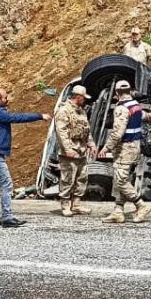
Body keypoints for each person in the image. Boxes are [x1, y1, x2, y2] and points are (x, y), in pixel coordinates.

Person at [0, 88, 50, 228]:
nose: (7, 100)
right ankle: (7, 217)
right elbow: (18, 118)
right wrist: (39, 115)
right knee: (6, 184)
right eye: (5, 98)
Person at [99, 79, 151, 223]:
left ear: (117, 93)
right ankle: (118, 211)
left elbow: (117, 132)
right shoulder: (136, 106)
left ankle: (141, 205)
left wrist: (106, 147)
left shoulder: (121, 108)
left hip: (125, 148)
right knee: (119, 178)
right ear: (129, 91)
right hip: (134, 146)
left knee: (121, 179)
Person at [54, 85, 95, 217]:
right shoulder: (64, 111)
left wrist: (91, 145)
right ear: (78, 97)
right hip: (70, 151)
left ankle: (76, 204)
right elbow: (61, 132)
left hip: (81, 150)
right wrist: (68, 149)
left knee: (82, 177)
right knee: (67, 178)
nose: (85, 100)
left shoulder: (81, 112)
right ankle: (65, 205)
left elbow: (86, 130)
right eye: (83, 98)